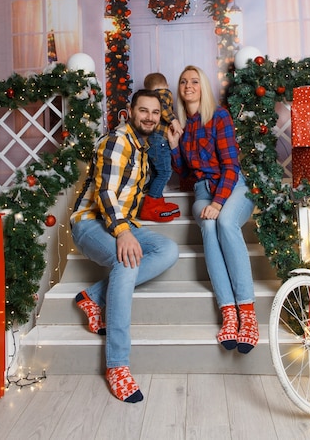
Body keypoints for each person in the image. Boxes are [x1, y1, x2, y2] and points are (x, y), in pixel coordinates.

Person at [70, 89, 179, 402]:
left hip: (124, 223)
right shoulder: (118, 140)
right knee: (127, 261)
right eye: (143, 111)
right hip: (91, 223)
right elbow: (104, 193)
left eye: (155, 113)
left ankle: (92, 296)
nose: (149, 117)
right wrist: (122, 232)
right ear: (130, 111)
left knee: (168, 250)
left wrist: (170, 142)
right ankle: (117, 365)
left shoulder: (143, 144)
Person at [167, 65, 258, 354]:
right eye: (183, 82)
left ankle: (248, 313)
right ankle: (228, 313)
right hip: (202, 192)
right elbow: (184, 174)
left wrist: (219, 202)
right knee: (207, 225)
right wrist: (174, 145)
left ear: (203, 87)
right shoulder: (185, 125)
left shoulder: (219, 116)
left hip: (233, 187)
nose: (188, 85)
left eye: (194, 81)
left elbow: (231, 166)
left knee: (225, 223)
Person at [138, 72, 182, 222]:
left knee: (157, 172)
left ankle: (154, 199)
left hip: (151, 140)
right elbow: (163, 107)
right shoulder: (163, 94)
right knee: (165, 172)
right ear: (167, 85)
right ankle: (151, 203)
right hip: (159, 140)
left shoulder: (149, 98)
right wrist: (174, 120)